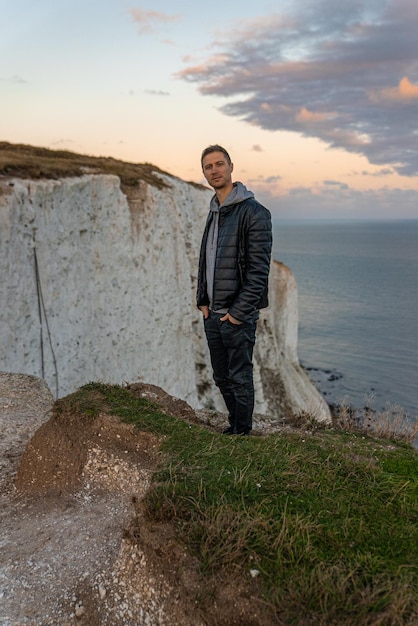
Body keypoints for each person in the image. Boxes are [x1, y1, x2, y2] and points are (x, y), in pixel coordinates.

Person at [197, 145, 272, 435]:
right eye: (208, 167)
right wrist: (202, 300)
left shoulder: (254, 213)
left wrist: (238, 314)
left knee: (240, 377)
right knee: (221, 377)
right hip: (213, 314)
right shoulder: (214, 211)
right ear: (204, 173)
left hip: (235, 317)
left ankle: (242, 433)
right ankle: (234, 426)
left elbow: (258, 273)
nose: (214, 170)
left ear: (231, 167)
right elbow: (206, 258)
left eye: (219, 164)